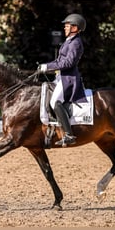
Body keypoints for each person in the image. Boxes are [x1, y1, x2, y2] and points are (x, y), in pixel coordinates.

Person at [38, 13, 87, 146]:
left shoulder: (76, 43)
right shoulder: (69, 41)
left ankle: (69, 134)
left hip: (68, 79)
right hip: (60, 77)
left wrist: (47, 66)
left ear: (75, 28)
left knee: (55, 101)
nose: (65, 28)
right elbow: (59, 61)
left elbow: (68, 63)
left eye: (67, 26)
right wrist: (46, 67)